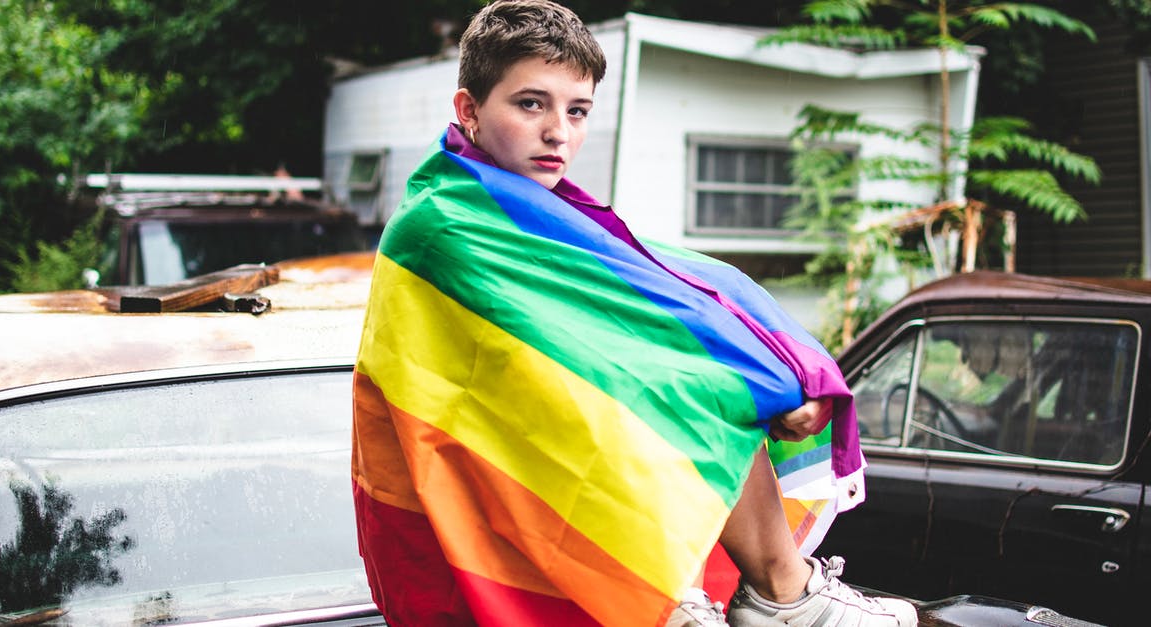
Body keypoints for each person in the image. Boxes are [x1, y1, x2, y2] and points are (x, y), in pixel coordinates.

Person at [351, 2, 918, 626]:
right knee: (674, 391)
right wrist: (747, 380)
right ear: (469, 111)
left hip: (557, 519)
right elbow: (583, 370)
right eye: (531, 104)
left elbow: (680, 290)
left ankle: (775, 595)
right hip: (482, 533)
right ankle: (733, 597)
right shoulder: (440, 226)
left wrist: (786, 373)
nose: (558, 132)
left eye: (578, 111)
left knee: (706, 379)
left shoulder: (544, 211)